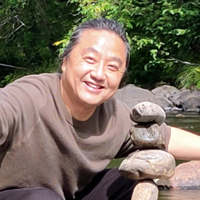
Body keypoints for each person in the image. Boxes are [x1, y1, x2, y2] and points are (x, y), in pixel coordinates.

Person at [0, 18, 200, 200]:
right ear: (65, 61)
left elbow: (165, 137)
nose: (98, 74)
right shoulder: (29, 97)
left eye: (112, 67)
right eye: (90, 60)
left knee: (131, 181)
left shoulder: (113, 116)